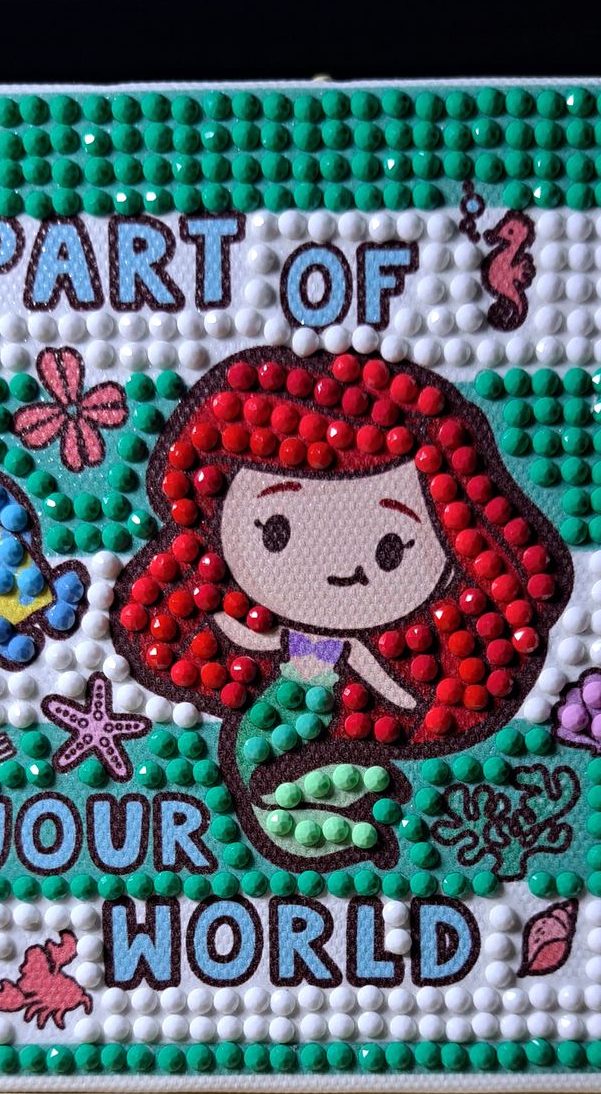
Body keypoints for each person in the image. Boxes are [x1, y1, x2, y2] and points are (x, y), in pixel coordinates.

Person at [113, 347, 572, 871]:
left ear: (454, 557)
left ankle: (316, 812)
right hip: (267, 719)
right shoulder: (246, 622)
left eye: (391, 548)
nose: (339, 569)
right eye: (277, 531)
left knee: (298, 781)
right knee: (264, 772)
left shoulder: (393, 646)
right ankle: (293, 810)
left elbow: (375, 671)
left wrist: (402, 696)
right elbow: (249, 637)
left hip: (320, 723)